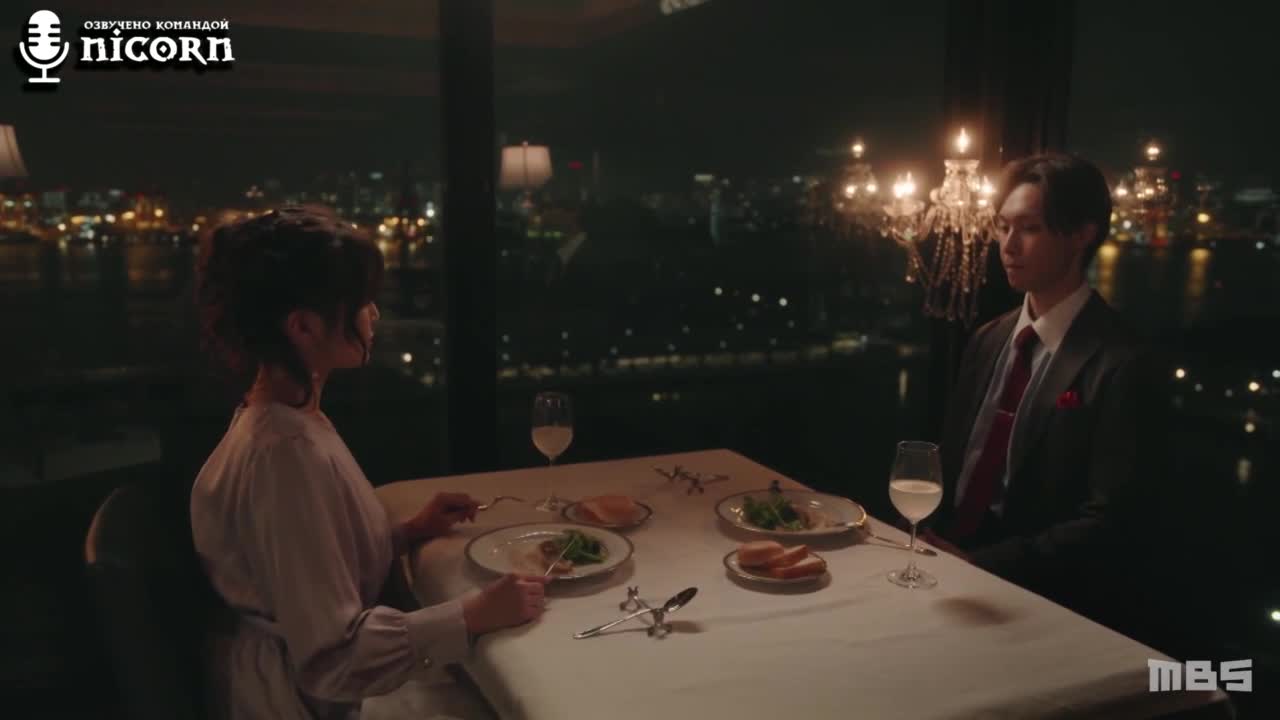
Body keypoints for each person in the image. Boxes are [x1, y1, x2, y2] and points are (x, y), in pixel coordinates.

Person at [191, 206, 549, 719]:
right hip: (304, 701)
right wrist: (473, 614)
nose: (374, 314)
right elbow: (331, 660)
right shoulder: (283, 455)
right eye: (360, 302)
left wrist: (406, 533)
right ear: (303, 326)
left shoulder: (283, 418)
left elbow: (309, 565)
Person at [928, 154, 1159, 600]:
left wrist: (983, 565)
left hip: (1036, 590)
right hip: (943, 559)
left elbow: (1110, 520)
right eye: (1003, 227)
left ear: (1082, 234)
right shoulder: (989, 338)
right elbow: (954, 459)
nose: (1008, 246)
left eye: (1030, 228)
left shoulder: (1121, 361)